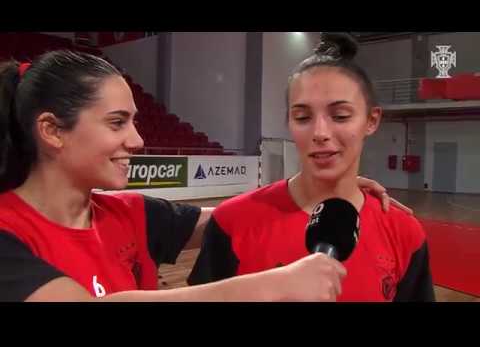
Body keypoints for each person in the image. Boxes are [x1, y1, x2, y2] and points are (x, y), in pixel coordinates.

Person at [0, 49, 405, 302]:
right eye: (117, 122)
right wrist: (272, 286)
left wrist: (327, 189)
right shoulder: (7, 232)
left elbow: (239, 218)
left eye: (135, 121)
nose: (137, 139)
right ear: (52, 131)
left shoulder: (131, 213)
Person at [188, 33, 435, 302]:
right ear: (289, 122)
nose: (320, 132)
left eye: (340, 116)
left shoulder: (404, 232)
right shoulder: (231, 221)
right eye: (303, 117)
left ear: (371, 120)